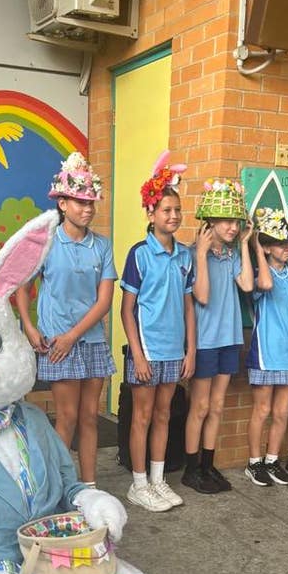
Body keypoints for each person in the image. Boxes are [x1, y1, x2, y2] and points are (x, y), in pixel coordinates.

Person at [15, 152, 117, 487]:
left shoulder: (102, 246)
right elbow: (23, 288)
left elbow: (104, 301)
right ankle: (60, 488)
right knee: (67, 417)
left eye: (91, 203)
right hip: (57, 343)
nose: (87, 209)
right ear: (62, 204)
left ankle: (89, 486)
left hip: (91, 341)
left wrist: (74, 335)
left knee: (90, 417)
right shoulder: (45, 243)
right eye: (79, 202)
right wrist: (29, 327)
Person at [121, 152, 196, 512]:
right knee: (142, 416)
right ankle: (138, 485)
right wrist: (137, 354)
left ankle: (157, 479)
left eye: (177, 210)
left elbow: (188, 307)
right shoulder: (139, 254)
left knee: (164, 414)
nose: (174, 216)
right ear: (151, 214)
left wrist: (190, 350)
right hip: (147, 350)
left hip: (173, 350)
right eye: (166, 210)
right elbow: (127, 310)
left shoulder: (184, 256)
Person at [182, 179, 264, 493]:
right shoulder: (192, 254)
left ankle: (207, 464)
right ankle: (191, 468)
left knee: (217, 406)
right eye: (226, 221)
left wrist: (244, 244)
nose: (232, 227)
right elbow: (201, 296)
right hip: (204, 341)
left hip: (229, 338)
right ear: (210, 222)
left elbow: (247, 285)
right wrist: (202, 254)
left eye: (236, 221)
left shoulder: (232, 255)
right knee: (200, 406)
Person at [244, 207, 288, 487]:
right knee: (262, 410)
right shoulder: (259, 274)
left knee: (282, 412)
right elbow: (266, 284)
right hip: (265, 353)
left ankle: (272, 460)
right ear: (268, 247)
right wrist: (258, 249)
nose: (287, 248)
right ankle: (254, 463)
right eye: (280, 243)